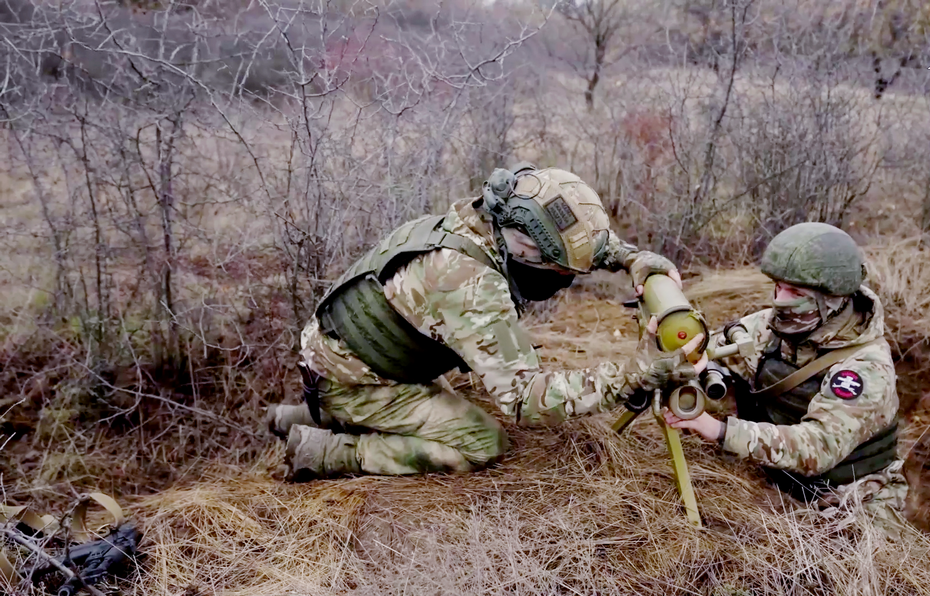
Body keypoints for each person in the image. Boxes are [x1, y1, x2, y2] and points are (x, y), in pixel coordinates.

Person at [266, 164, 705, 480]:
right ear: (528, 255)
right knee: (482, 443)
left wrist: (630, 258)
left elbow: (573, 236)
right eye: (563, 274)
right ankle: (330, 450)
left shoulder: (483, 221)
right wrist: (636, 373)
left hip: (345, 354)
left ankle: (301, 414)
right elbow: (524, 400)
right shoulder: (470, 283)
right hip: (359, 379)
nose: (566, 282)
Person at [664, 222, 909, 538]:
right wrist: (673, 333)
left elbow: (818, 447)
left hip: (851, 494)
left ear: (831, 298)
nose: (780, 300)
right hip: (781, 478)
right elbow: (707, 346)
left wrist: (718, 430)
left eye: (795, 292)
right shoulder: (781, 326)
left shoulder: (865, 367)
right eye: (778, 287)